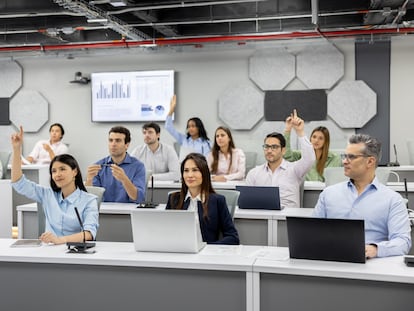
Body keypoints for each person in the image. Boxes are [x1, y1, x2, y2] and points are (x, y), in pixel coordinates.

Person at [313, 134, 411, 258]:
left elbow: (403, 242)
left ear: (370, 161)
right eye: (344, 156)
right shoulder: (328, 194)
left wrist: (376, 249)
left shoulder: (393, 200)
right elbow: (312, 232)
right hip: (331, 261)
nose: (344, 161)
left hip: (371, 265)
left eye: (351, 157)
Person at [11, 126, 98, 244]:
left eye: (62, 169)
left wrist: (60, 240)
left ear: (75, 171)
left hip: (74, 252)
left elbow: (89, 234)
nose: (57, 174)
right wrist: (17, 149)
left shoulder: (89, 200)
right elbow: (18, 182)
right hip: (49, 251)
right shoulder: (47, 194)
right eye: (54, 171)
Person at [246, 109, 315, 208]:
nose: (269, 151)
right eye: (266, 147)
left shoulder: (294, 169)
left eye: (274, 147)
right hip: (262, 217)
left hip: (287, 217)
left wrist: (300, 132)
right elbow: (247, 201)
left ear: (283, 150)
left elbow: (310, 159)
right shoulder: (254, 173)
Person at [166, 153, 239, 244]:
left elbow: (232, 237)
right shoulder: (173, 199)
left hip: (206, 255)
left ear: (204, 173)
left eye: (195, 170)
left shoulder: (217, 201)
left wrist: (208, 248)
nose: (190, 175)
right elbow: (166, 233)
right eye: (186, 170)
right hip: (179, 253)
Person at [86, 126, 146, 203]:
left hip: (128, 212)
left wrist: (124, 179)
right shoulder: (98, 166)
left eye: (118, 141)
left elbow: (138, 198)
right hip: (104, 212)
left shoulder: (138, 166)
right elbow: (90, 200)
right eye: (111, 140)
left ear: (126, 145)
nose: (113, 144)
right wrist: (89, 180)